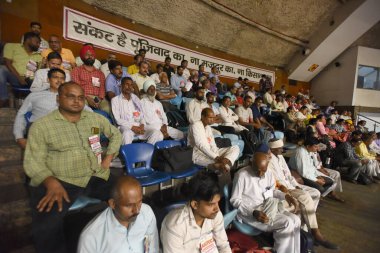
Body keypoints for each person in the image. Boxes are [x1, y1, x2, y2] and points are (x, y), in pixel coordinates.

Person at [24, 82, 122, 253]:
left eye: (81, 97)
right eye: (70, 96)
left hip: (94, 175)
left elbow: (116, 134)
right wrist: (49, 181)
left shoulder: (94, 119)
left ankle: (120, 240)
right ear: (58, 99)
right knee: (47, 222)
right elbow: (33, 160)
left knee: (125, 194)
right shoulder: (42, 126)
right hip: (61, 180)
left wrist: (108, 158)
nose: (77, 101)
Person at [268, 139, 339, 250]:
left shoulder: (280, 157)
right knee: (305, 197)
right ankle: (315, 232)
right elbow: (275, 181)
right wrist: (289, 189)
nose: (282, 150)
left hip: (291, 185)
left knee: (315, 193)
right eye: (280, 148)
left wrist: (296, 185)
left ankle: (305, 227)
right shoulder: (268, 159)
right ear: (272, 149)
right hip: (283, 189)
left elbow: (288, 174)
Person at [230, 152, 301, 253]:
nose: (260, 174)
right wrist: (253, 212)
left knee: (296, 220)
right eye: (257, 170)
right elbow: (235, 200)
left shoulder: (269, 173)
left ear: (267, 165)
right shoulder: (241, 175)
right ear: (251, 163)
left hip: (267, 207)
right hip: (251, 213)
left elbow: (272, 192)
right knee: (287, 223)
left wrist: (286, 196)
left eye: (263, 170)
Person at [78, 176, 158, 253]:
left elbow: (152, 248)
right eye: (129, 205)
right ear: (112, 203)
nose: (137, 210)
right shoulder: (91, 236)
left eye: (140, 202)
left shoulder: (147, 213)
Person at [161, 171, 231, 253]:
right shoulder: (176, 226)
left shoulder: (215, 214)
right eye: (211, 204)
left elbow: (223, 246)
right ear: (195, 204)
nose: (217, 209)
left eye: (217, 202)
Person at [14, 68, 67, 149]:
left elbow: (88, 112)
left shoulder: (71, 97)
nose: (59, 80)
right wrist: (19, 137)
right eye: (55, 77)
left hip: (63, 132)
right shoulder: (34, 95)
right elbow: (21, 115)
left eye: (62, 78)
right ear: (48, 79)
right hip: (39, 131)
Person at [289, 137, 344, 201]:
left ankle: (319, 196)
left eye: (318, 146)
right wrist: (316, 180)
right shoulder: (300, 152)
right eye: (315, 147)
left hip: (310, 174)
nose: (317, 148)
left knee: (330, 181)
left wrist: (319, 176)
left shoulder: (310, 151)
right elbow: (303, 172)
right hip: (299, 174)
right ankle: (313, 198)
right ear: (308, 146)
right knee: (321, 188)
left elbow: (312, 167)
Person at [188, 108, 239, 174]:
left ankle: (223, 162)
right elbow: (200, 145)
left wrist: (217, 155)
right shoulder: (195, 125)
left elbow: (212, 144)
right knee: (223, 166)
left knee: (235, 148)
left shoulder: (208, 127)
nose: (212, 120)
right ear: (203, 117)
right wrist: (216, 157)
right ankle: (221, 166)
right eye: (210, 117)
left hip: (211, 152)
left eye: (213, 117)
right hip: (198, 154)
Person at [111, 77, 161, 145]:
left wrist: (142, 125)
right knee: (127, 133)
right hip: (126, 127)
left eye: (131, 85)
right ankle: (127, 154)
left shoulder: (135, 98)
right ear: (121, 86)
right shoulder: (115, 100)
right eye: (127, 84)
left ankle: (146, 150)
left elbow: (141, 115)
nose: (129, 87)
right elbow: (118, 120)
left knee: (156, 132)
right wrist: (132, 127)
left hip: (139, 126)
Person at [71, 44, 110, 113]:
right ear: (83, 56)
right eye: (87, 55)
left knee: (108, 109)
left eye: (92, 55)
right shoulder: (76, 70)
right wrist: (87, 98)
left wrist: (99, 99)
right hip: (82, 96)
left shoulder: (100, 73)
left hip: (98, 98)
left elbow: (102, 88)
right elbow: (76, 86)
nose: (90, 57)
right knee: (81, 107)